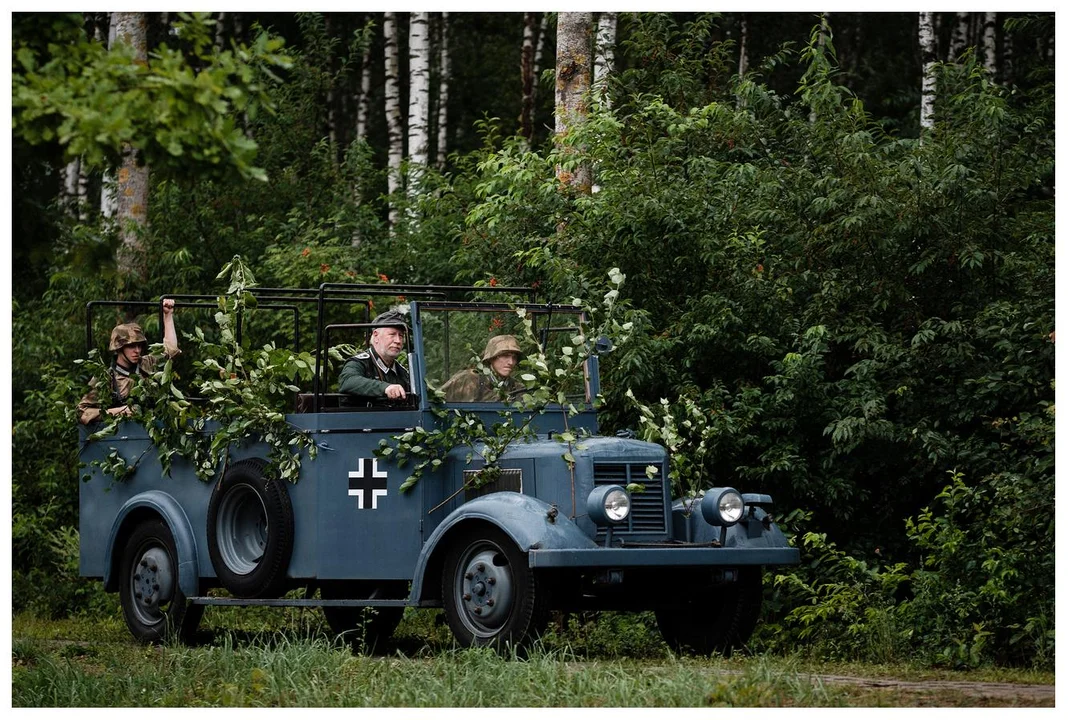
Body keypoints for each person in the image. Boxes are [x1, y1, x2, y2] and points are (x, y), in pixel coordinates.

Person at [78, 299, 180, 425]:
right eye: (131, 346)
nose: (137, 350)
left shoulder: (146, 363)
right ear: (119, 348)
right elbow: (82, 413)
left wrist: (168, 315)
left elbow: (171, 349)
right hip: (119, 438)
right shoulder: (105, 378)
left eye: (139, 346)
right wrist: (118, 411)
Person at [338, 310, 412, 406]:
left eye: (401, 336)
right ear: (376, 336)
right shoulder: (359, 363)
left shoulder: (402, 372)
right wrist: (385, 388)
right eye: (392, 334)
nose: (398, 340)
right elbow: (347, 381)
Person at [440, 334, 525, 402]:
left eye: (514, 357)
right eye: (505, 356)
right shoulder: (467, 379)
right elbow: (435, 401)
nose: (511, 362)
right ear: (491, 358)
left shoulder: (518, 388)